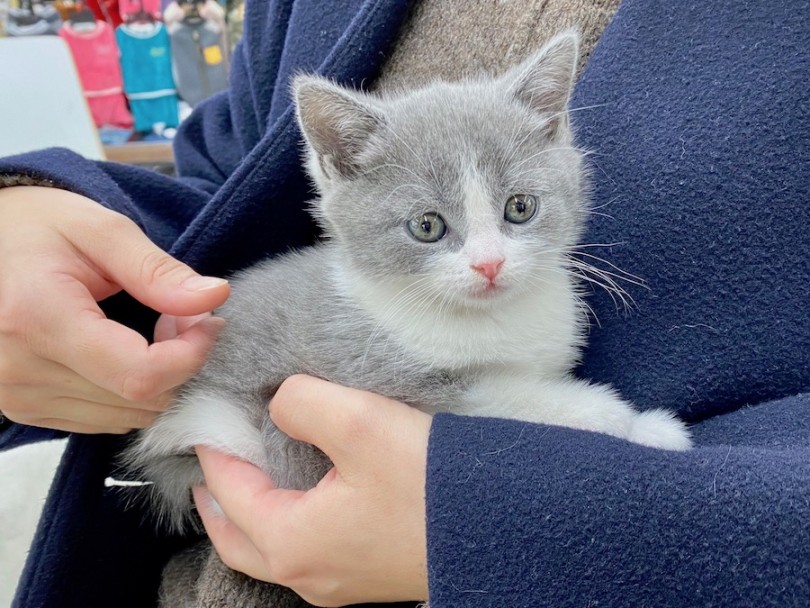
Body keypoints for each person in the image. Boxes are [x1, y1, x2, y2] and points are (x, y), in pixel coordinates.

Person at [1, 0, 808, 606]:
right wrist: (35, 212)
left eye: (517, 212)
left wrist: (512, 517)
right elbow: (223, 197)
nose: (488, 260)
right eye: (434, 227)